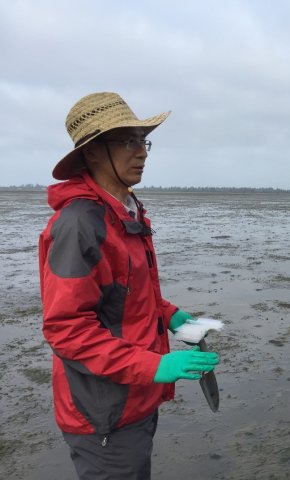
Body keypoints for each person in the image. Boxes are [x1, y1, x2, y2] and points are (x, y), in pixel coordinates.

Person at [39, 92, 220, 479]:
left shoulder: (126, 210)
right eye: (127, 141)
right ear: (91, 153)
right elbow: (66, 331)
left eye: (143, 140)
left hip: (134, 397)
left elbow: (130, 295)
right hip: (103, 413)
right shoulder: (80, 225)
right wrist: (156, 364)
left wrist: (171, 316)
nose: (142, 152)